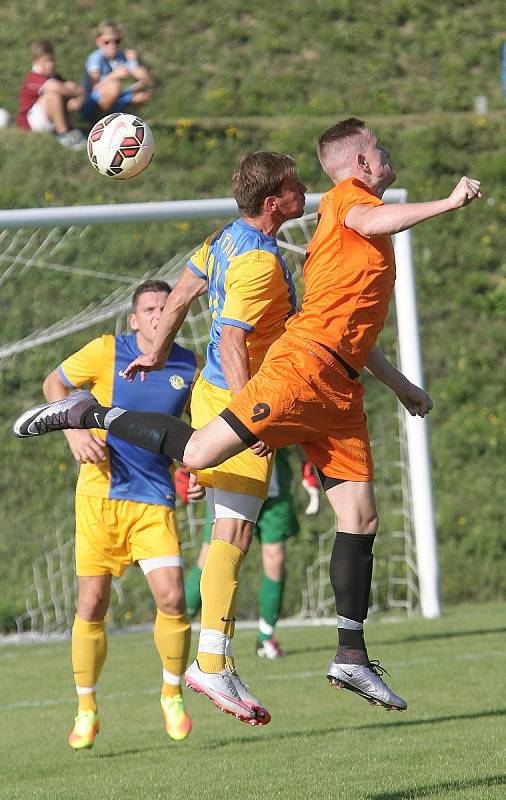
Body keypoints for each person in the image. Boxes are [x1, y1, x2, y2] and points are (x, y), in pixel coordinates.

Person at [15, 121, 480, 719]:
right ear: (278, 200)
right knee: (214, 492)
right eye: (293, 186)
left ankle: (345, 654)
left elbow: (186, 288)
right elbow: (233, 336)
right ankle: (91, 412)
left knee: (354, 517)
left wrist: (155, 350)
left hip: (331, 387)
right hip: (280, 382)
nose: (304, 190)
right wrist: (447, 201)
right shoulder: (304, 233)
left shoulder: (229, 240)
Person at [37, 280, 202, 750]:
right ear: (134, 319)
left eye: (164, 307)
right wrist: (72, 434)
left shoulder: (189, 365)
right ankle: (86, 709)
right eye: (148, 308)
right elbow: (55, 384)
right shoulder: (107, 350)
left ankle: (172, 696)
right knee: (92, 606)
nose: (156, 314)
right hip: (99, 497)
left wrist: (197, 471)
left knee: (172, 599)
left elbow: (195, 427)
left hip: (153, 499)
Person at [183, 448, 321, 659]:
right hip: (229, 488)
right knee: (211, 558)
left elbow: (301, 434)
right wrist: (193, 469)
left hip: (274, 496)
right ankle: (178, 625)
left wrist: (308, 473)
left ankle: (266, 636)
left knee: (275, 559)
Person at [16, 40, 86, 150]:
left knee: (69, 87)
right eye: (45, 61)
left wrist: (78, 99)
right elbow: (54, 87)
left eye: (52, 60)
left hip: (48, 121)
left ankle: (69, 129)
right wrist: (79, 93)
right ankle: (64, 134)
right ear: (35, 61)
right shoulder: (33, 78)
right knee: (53, 95)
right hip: (31, 124)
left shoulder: (54, 76)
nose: (50, 65)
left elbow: (71, 88)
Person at [81, 20, 154, 124]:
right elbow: (94, 87)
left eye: (117, 41)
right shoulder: (96, 58)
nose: (112, 45)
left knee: (144, 92)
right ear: (98, 41)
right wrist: (113, 76)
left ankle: (127, 124)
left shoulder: (122, 57)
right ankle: (97, 125)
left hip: (118, 97)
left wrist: (134, 62)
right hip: (92, 103)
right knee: (114, 87)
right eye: (107, 42)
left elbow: (147, 81)